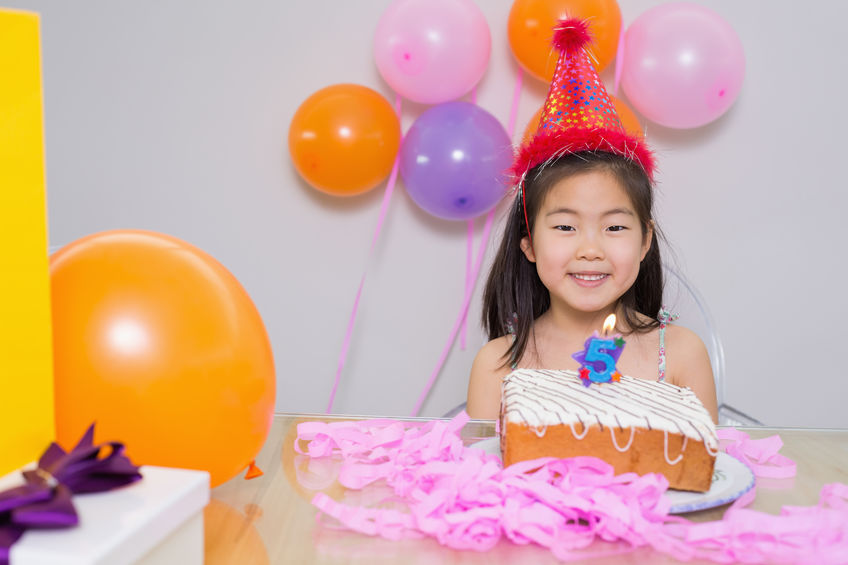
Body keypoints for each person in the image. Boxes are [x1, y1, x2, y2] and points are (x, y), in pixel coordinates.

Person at [465, 18, 717, 423]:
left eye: (615, 227)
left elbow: (702, 474)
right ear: (528, 242)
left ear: (645, 240)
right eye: (565, 226)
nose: (590, 249)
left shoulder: (681, 355)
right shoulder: (497, 365)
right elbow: (483, 479)